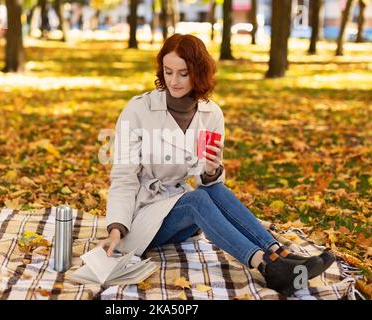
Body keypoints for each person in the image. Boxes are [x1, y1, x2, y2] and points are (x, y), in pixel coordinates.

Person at [97, 33, 334, 296]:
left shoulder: (211, 114)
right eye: (168, 72)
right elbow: (123, 178)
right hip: (142, 218)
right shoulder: (138, 110)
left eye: (183, 73)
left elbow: (206, 185)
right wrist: (116, 228)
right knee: (196, 200)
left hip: (180, 214)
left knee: (211, 191)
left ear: (198, 73)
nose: (173, 81)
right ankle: (265, 266)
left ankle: (280, 255)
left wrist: (211, 171)